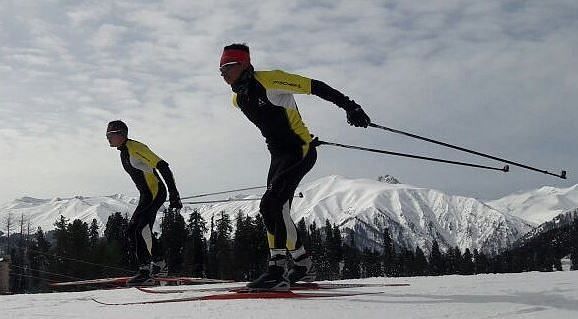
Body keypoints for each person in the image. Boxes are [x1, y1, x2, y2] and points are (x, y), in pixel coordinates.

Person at [219, 43, 371, 290]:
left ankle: (277, 270)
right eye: (220, 69)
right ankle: (302, 265)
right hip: (278, 156)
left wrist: (350, 106)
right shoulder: (238, 98)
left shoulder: (272, 80)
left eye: (228, 67)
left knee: (271, 204)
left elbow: (315, 86)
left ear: (244, 65)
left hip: (300, 150)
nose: (223, 73)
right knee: (275, 210)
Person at [106, 120, 183, 286]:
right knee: (137, 230)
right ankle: (159, 263)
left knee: (136, 230)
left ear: (121, 134)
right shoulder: (123, 151)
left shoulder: (135, 148)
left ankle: (145, 271)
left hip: (155, 193)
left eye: (109, 135)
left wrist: (174, 193)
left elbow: (163, 165)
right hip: (146, 195)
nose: (107, 139)